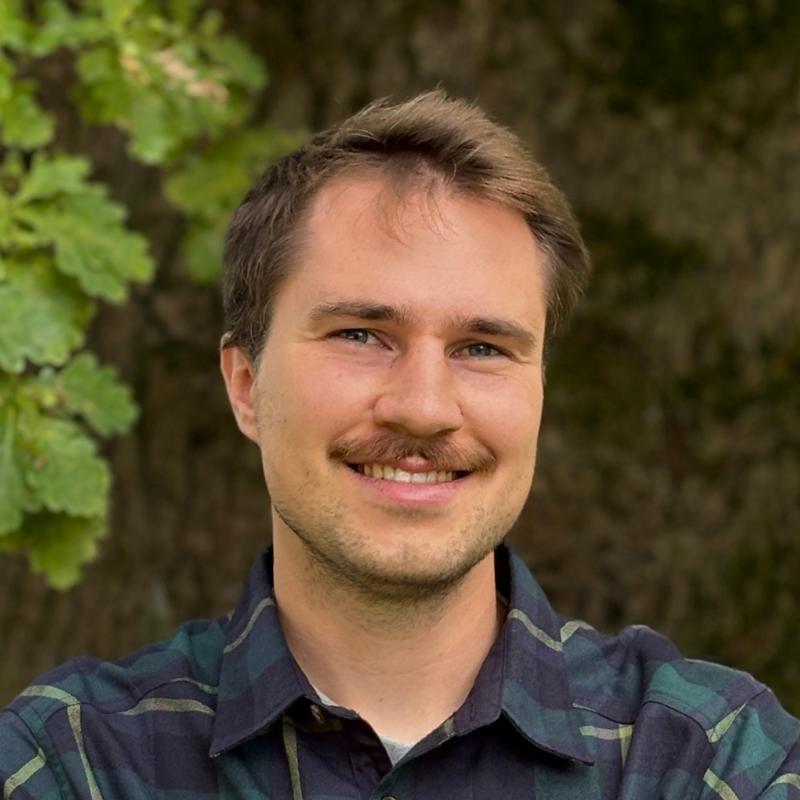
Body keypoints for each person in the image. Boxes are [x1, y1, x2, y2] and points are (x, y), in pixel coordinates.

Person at [1, 91, 799, 800]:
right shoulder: (74, 762)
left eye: (482, 348)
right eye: (361, 334)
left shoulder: (708, 759)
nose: (423, 409)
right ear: (245, 385)